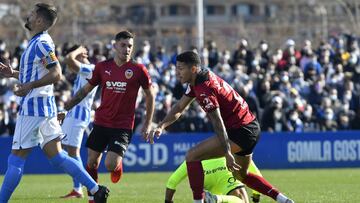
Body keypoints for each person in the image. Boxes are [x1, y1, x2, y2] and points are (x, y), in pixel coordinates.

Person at [150, 51, 294, 203]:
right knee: (241, 175)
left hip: (240, 131)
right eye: (176, 68)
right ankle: (282, 199)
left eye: (180, 68)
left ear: (193, 69)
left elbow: (217, 122)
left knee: (192, 156)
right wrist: (161, 125)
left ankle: (198, 201)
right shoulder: (199, 78)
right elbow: (180, 106)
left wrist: (227, 152)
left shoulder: (203, 88)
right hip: (251, 126)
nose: (177, 72)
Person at [0, 3, 109, 203]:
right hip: (46, 109)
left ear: (39, 20)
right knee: (58, 158)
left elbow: (56, 73)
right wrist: (14, 74)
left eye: (32, 14)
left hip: (34, 108)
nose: (29, 16)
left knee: (15, 158)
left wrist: (29, 85)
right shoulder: (39, 42)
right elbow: (37, 73)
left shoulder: (41, 43)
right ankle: (95, 189)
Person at [63, 30, 155, 203]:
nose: (127, 49)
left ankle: (117, 165)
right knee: (91, 163)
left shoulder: (138, 70)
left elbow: (150, 95)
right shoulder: (102, 67)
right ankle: (92, 197)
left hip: (123, 125)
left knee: (110, 164)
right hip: (101, 122)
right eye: (123, 45)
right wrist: (69, 105)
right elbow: (86, 90)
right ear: (114, 46)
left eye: (130, 46)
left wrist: (147, 124)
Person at [59, 45, 98, 198]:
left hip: (79, 117)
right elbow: (69, 61)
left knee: (72, 153)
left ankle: (84, 187)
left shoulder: (90, 68)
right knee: (64, 150)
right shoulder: (85, 70)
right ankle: (77, 187)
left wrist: (79, 50)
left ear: (82, 54)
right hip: (73, 115)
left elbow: (69, 60)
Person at [165, 157, 263, 203]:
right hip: (225, 172)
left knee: (210, 198)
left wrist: (168, 201)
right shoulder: (235, 150)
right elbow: (256, 174)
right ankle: (216, 199)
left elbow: (172, 181)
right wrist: (256, 196)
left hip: (204, 180)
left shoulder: (192, 157)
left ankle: (213, 198)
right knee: (241, 199)